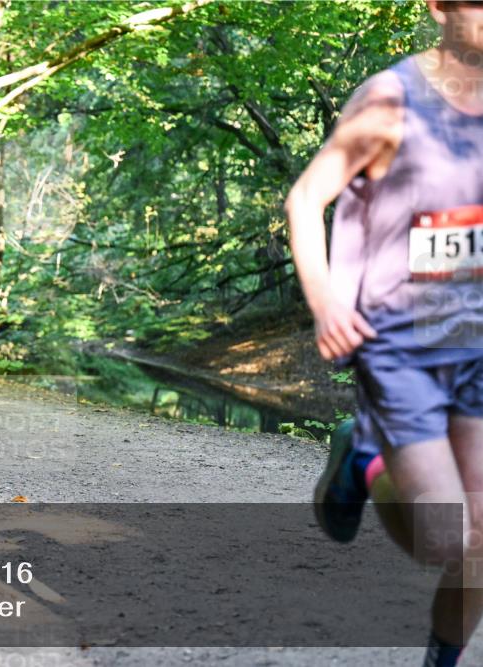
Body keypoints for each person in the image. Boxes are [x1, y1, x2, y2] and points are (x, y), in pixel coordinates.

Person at [286, 2, 482, 665]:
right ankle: (363, 459)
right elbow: (307, 196)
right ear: (439, 7)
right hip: (401, 343)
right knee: (445, 540)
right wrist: (325, 302)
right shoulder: (392, 98)